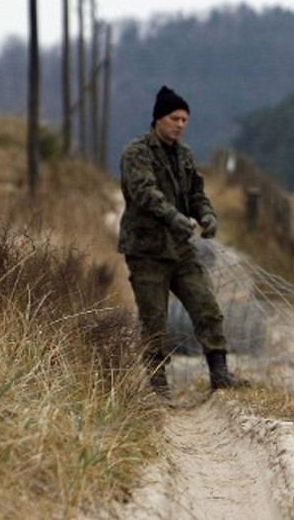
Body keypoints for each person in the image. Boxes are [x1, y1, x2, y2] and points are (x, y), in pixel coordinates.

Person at [118, 85, 248, 399]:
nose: (180, 124)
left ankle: (219, 373)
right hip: (146, 250)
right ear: (158, 119)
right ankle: (157, 383)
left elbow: (196, 195)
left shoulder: (185, 157)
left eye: (185, 119)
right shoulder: (137, 153)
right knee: (154, 319)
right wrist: (173, 217)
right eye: (175, 118)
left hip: (181, 250)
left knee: (207, 307)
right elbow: (145, 193)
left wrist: (207, 216)